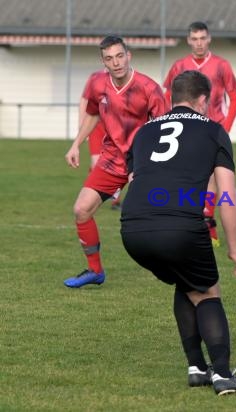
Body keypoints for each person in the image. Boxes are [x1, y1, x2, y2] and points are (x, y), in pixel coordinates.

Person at [120, 70, 236, 395]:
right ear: (203, 100)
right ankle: (224, 376)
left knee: (187, 283)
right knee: (208, 291)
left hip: (132, 228)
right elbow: (228, 195)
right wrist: (234, 248)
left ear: (174, 97)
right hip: (179, 226)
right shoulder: (214, 130)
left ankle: (197, 368)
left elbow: (133, 181)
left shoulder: (144, 132)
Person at [63, 36, 167, 288]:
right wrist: (77, 143)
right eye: (109, 58)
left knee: (146, 219)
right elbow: (92, 114)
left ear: (128, 55)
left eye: (120, 56)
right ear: (103, 61)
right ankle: (95, 271)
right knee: (81, 210)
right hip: (111, 160)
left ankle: (171, 264)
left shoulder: (149, 88)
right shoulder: (97, 83)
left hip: (141, 162)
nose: (116, 62)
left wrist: (151, 165)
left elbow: (164, 129)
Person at [163, 21, 236, 247]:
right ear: (188, 40)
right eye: (194, 39)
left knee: (211, 178)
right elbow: (167, 95)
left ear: (209, 39)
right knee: (185, 177)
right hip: (185, 128)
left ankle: (209, 226)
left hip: (211, 130)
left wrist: (224, 128)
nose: (199, 43)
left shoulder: (221, 65)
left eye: (202, 38)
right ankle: (188, 223)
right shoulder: (179, 66)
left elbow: (234, 99)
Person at [78, 71, 122, 211]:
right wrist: (81, 125)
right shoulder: (95, 78)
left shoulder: (128, 77)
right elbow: (85, 100)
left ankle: (115, 201)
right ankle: (92, 194)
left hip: (116, 126)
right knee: (97, 162)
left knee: (118, 164)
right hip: (97, 126)